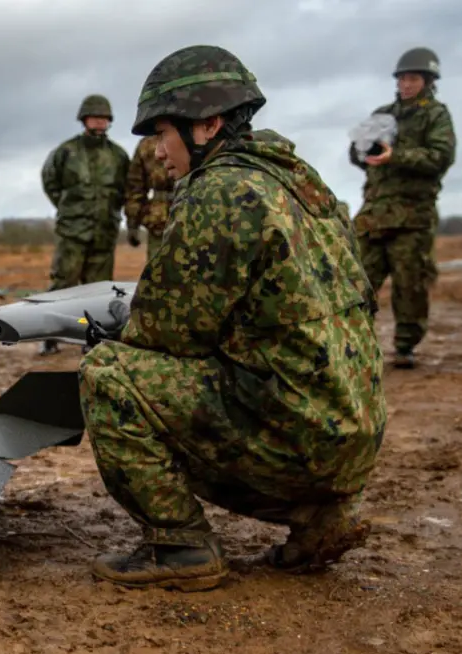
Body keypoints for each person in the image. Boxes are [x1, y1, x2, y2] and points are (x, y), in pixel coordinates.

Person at [78, 45, 386, 592]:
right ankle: (322, 516)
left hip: (296, 437)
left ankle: (180, 545)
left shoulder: (220, 189)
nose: (157, 152)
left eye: (161, 134)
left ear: (207, 126)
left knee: (108, 373)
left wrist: (121, 331)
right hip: (350, 436)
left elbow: (169, 333)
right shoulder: (298, 180)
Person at [349, 47, 456, 369]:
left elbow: (440, 157)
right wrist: (360, 149)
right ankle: (353, 343)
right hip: (374, 214)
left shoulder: (435, 115)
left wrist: (396, 155)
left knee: (410, 285)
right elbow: (360, 158)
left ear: (427, 80)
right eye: (402, 78)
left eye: (413, 78)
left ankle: (405, 346)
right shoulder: (383, 113)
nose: (406, 84)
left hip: (412, 216)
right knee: (356, 281)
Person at [39, 94, 130, 356]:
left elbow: (126, 188)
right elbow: (50, 182)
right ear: (84, 119)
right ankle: (50, 335)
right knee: (63, 284)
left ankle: (92, 339)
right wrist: (69, 208)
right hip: (73, 231)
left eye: (104, 118)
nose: (99, 122)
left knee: (99, 289)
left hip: (105, 230)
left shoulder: (118, 155)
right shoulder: (66, 152)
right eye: (95, 117)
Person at [124, 134, 175, 261]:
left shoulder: (195, 135)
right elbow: (135, 187)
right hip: (159, 220)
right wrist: (132, 224)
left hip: (193, 215)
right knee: (158, 269)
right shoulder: (147, 145)